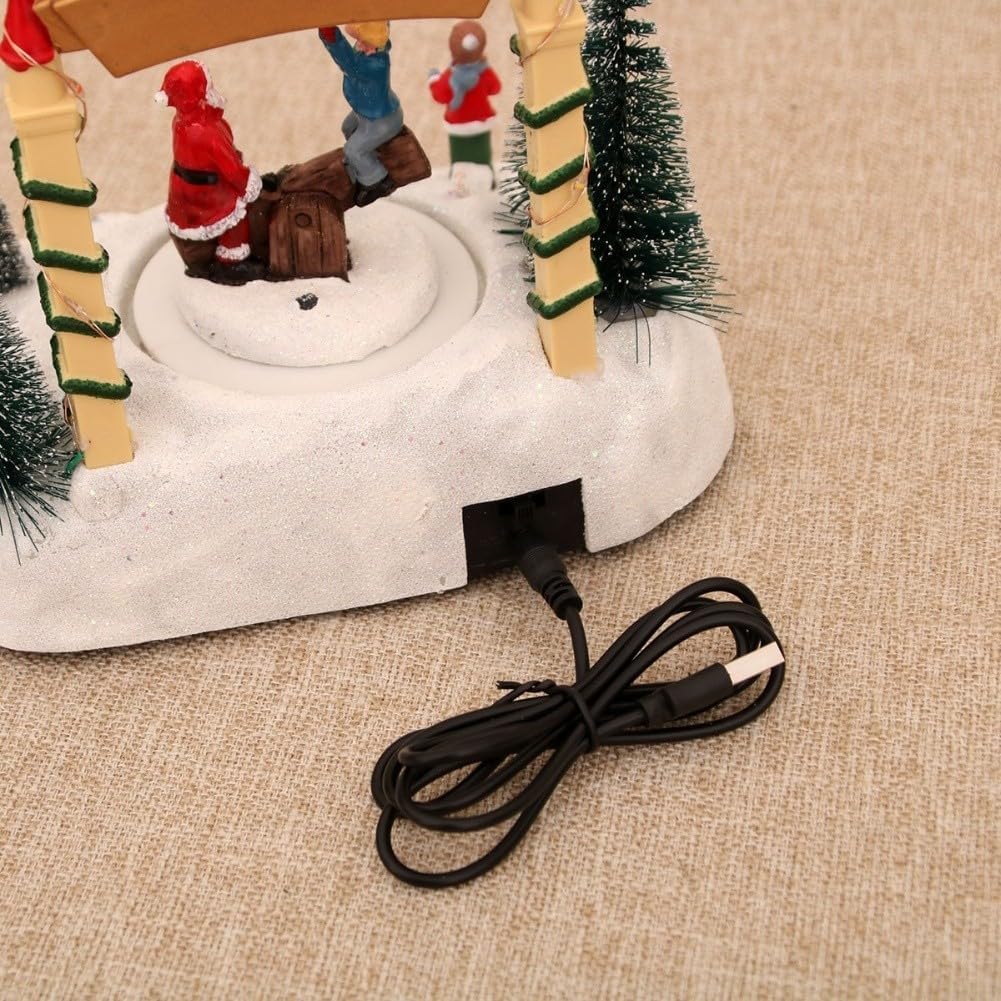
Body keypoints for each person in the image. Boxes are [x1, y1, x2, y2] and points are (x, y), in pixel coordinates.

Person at [156, 60, 264, 284]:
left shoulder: (181, 122)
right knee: (235, 220)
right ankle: (231, 262)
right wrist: (248, 185)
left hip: (183, 190)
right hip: (208, 195)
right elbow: (231, 169)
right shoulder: (206, 132)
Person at [319, 22, 403, 207]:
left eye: (362, 41)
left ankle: (376, 179)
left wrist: (330, 35)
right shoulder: (367, 51)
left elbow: (347, 60)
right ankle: (364, 159)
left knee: (352, 149)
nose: (358, 45)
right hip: (366, 113)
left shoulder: (374, 64)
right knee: (348, 127)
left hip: (380, 119)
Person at [428, 21, 501, 189]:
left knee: (459, 156)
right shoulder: (485, 72)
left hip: (457, 124)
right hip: (481, 121)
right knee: (482, 154)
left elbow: (439, 95)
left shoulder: (449, 76)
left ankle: (458, 179)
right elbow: (496, 88)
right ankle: (488, 177)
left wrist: (433, 79)